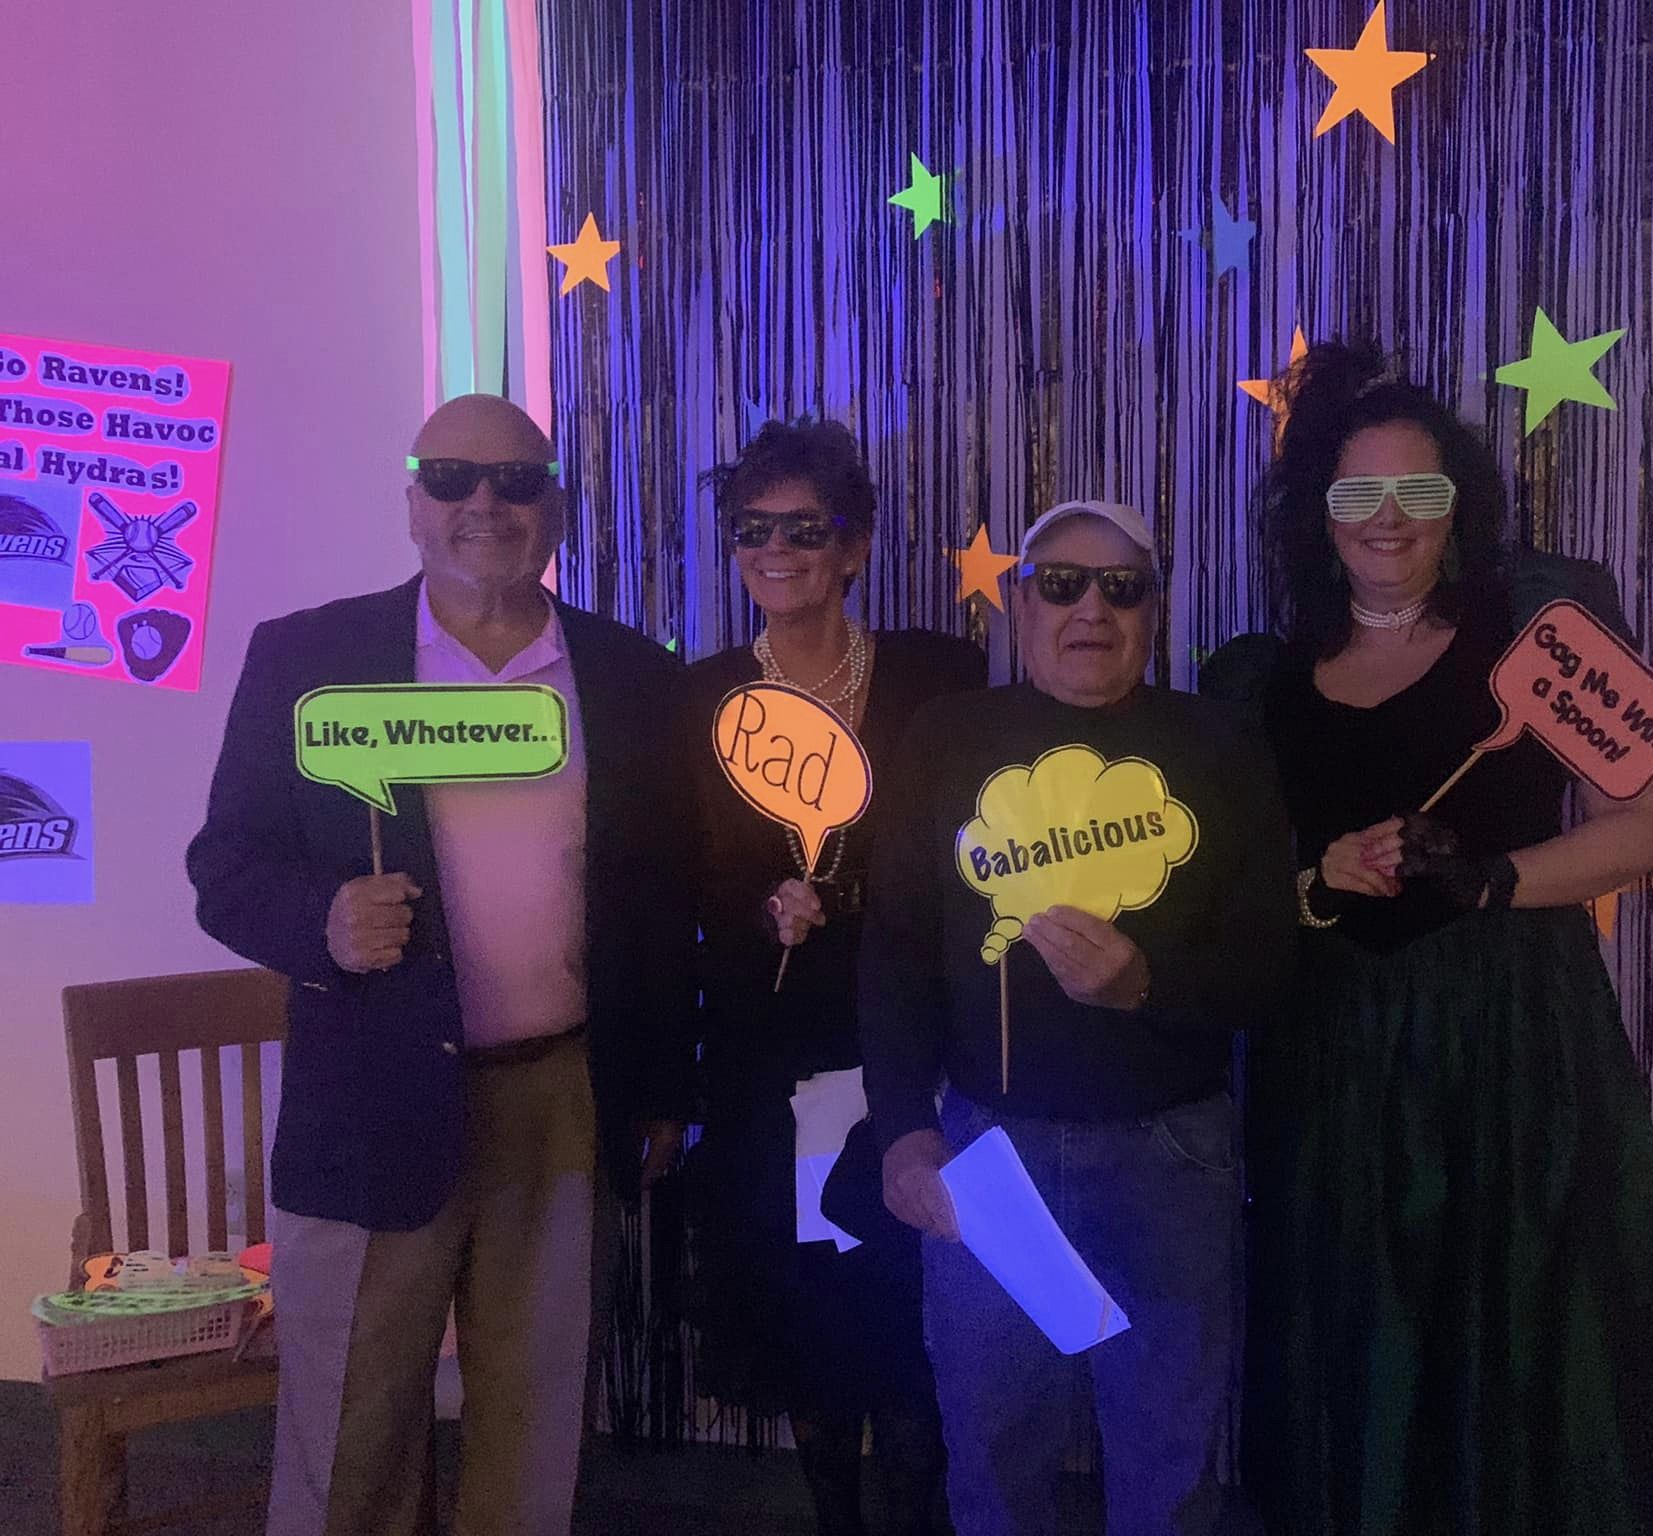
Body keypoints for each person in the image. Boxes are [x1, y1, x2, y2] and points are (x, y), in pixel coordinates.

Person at [1202, 342, 1653, 1535]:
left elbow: (1645, 831)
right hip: (1332, 1059)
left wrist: (1488, 879)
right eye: (1355, 495)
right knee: (1359, 1335)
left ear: (1458, 507)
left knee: (1519, 1327)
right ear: (1315, 517)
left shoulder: (1541, 637)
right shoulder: (1254, 681)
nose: (1387, 521)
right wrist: (1312, 877)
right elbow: (1228, 899)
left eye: (1417, 494)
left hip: (1513, 1048)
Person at [187, 394, 694, 1536]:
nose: (485, 504)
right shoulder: (308, 656)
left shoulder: (627, 677)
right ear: (412, 503)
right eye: (454, 478)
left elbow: (659, 905)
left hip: (562, 1097)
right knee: (348, 1434)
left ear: (554, 507)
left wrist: (663, 1087)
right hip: (371, 1096)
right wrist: (319, 917)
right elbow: (224, 867)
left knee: (533, 1427)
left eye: (516, 481)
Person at [858, 499, 1295, 1536]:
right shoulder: (948, 736)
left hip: (1170, 1155)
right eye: (1059, 585)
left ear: (1153, 608)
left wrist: (1147, 983)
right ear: (1016, 604)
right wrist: (900, 1129)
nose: (1088, 610)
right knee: (995, 1455)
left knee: (1166, 1464)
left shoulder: (1216, 741)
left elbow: (1273, 968)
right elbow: (894, 949)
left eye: (1120, 587)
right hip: (987, 1152)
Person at [677, 418, 982, 1535]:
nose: (775, 549)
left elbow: (973, 846)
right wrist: (762, 907)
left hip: (914, 1038)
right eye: (750, 528)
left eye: (802, 528)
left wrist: (852, 901)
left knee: (910, 1301)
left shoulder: (936, 677)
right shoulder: (698, 696)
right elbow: (676, 879)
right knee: (809, 1310)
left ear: (851, 546)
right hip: (776, 1057)